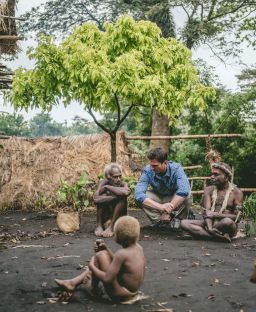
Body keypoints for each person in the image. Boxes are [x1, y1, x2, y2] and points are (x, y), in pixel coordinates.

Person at [55, 216, 146, 303]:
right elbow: (121, 265)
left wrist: (92, 267)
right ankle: (73, 283)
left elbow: (107, 279)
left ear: (119, 237)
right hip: (131, 293)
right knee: (103, 253)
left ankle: (92, 289)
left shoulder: (121, 254)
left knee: (99, 256)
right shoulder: (138, 248)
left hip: (120, 295)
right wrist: (106, 249)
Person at [181, 162, 243, 242]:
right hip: (209, 223)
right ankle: (215, 237)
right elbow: (207, 212)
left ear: (226, 177)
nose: (212, 177)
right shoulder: (208, 190)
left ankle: (203, 233)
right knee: (183, 223)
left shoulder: (237, 192)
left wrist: (216, 214)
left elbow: (237, 217)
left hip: (227, 226)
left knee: (227, 221)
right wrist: (210, 228)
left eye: (216, 174)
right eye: (212, 174)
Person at [135, 147, 192, 227]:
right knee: (140, 198)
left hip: (173, 198)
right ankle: (159, 221)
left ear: (165, 162)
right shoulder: (148, 170)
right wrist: (161, 207)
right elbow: (138, 194)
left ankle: (180, 220)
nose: (152, 168)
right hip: (158, 198)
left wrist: (167, 210)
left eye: (155, 165)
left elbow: (184, 190)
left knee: (187, 194)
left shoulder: (176, 168)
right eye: (151, 165)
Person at [94, 163, 130, 237]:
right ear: (108, 177)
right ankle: (99, 225)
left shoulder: (123, 184)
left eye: (120, 176)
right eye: (115, 177)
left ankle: (111, 227)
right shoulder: (103, 183)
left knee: (122, 198)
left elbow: (126, 192)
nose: (119, 179)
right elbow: (96, 199)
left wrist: (108, 187)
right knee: (103, 197)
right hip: (106, 217)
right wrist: (114, 197)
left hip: (119, 219)